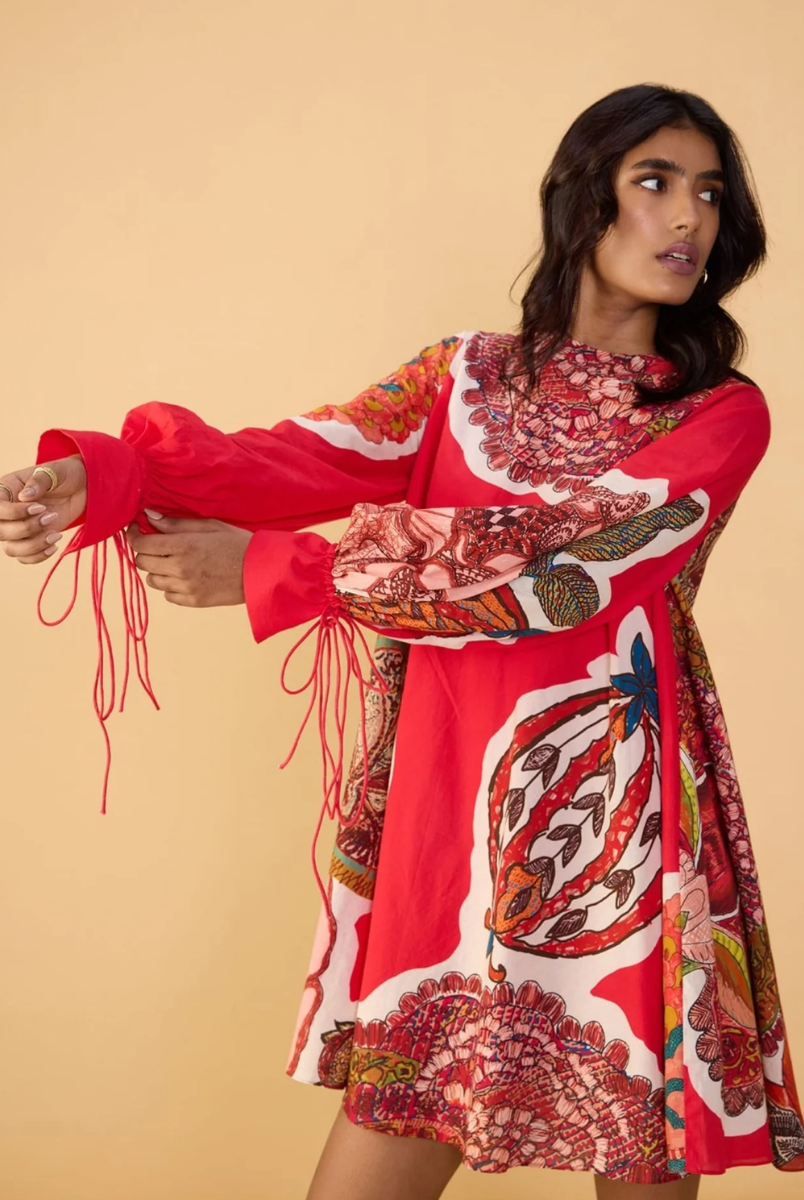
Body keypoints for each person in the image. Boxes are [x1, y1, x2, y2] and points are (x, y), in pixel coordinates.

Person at [1, 82, 802, 1200]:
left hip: (619, 830)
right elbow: (298, 457)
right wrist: (109, 474)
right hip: (445, 824)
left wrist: (285, 571)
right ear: (584, 201)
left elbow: (570, 558)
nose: (687, 218)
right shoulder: (460, 378)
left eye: (709, 195)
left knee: (642, 1163)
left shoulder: (716, 412)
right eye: (655, 182)